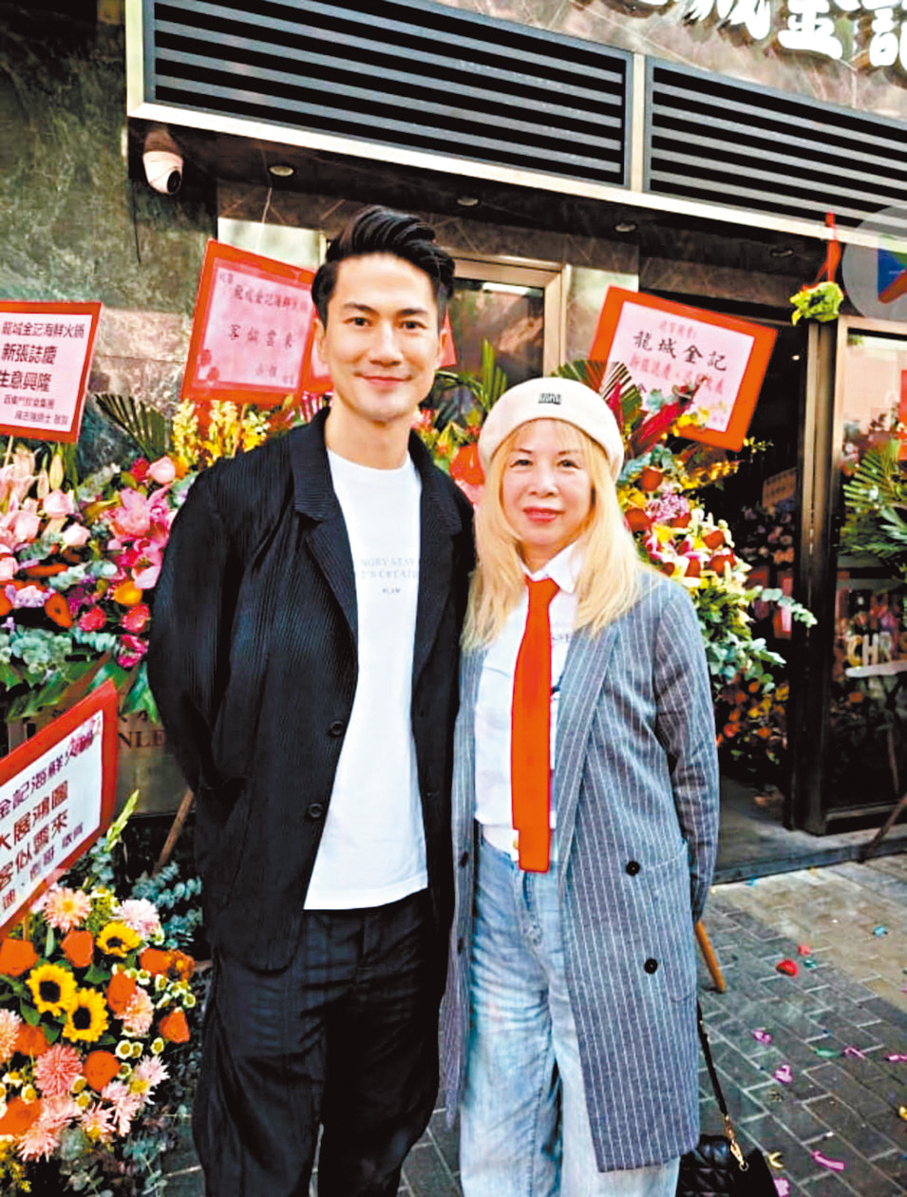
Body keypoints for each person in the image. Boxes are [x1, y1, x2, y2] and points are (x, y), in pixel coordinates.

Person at [148, 206, 474, 1197]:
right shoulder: (240, 500)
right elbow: (184, 690)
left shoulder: (455, 518)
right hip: (280, 916)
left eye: (409, 323)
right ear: (320, 334)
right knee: (259, 1169)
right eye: (359, 320)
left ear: (440, 343)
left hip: (409, 917)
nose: (385, 347)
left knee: (373, 1163)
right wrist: (251, 814)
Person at [441, 376, 720, 1197]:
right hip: (494, 899)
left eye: (567, 463)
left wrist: (665, 904)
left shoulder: (650, 606)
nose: (542, 483)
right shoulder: (475, 604)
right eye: (521, 461)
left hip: (608, 894)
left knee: (615, 1146)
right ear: (494, 478)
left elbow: (695, 779)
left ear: (598, 480)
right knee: (498, 1126)